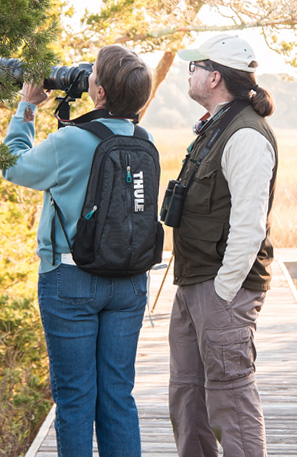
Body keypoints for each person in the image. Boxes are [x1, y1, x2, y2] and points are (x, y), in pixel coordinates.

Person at [2, 45, 152, 457]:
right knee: (118, 396)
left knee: (75, 399)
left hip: (70, 281)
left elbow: (12, 165)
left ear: (99, 93)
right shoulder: (145, 138)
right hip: (129, 284)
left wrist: (27, 108)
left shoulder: (71, 141)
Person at [168, 34, 277, 457]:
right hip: (194, 281)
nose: (189, 73)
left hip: (221, 288)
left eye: (194, 67)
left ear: (214, 77)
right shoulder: (217, 125)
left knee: (230, 400)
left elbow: (249, 226)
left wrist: (222, 293)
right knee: (187, 395)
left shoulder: (245, 134)